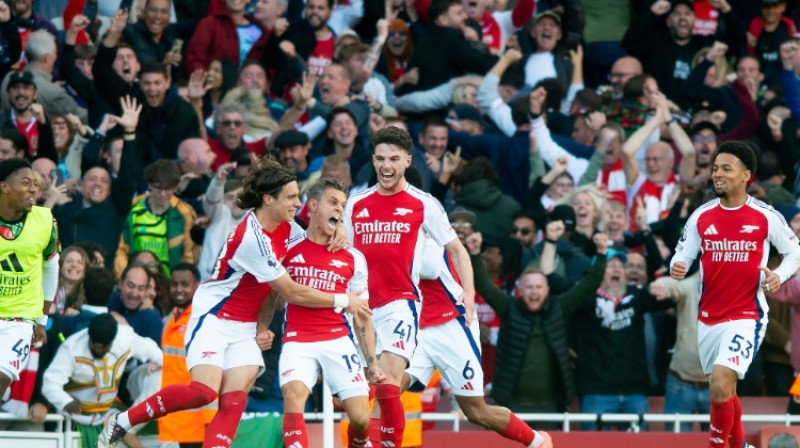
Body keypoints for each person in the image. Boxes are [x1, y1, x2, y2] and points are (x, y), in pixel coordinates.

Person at [98, 156, 370, 448]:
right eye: (290, 197)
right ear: (269, 199)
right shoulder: (252, 238)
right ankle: (123, 421)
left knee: (234, 400)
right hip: (215, 316)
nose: (297, 202)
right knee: (204, 391)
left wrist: (337, 229)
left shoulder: (288, 227)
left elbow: (311, 244)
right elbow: (291, 292)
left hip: (245, 325)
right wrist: (344, 299)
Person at [344, 126, 474, 448]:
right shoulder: (355, 203)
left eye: (394, 159)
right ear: (373, 161)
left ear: (407, 161)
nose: (386, 166)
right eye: (380, 159)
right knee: (361, 399)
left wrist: (468, 294)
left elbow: (457, 249)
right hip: (361, 306)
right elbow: (341, 248)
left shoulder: (423, 203)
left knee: (387, 384)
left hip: (400, 303)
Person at [671, 141, 800, 448]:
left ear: (746, 175)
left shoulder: (765, 215)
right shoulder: (701, 216)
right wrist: (678, 264)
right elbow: (683, 253)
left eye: (726, 169)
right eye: (715, 169)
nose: (718, 174)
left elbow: (795, 251)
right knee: (725, 389)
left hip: (747, 315)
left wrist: (778, 276)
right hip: (709, 318)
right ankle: (741, 445)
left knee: (719, 384)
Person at [403, 230, 553, 448]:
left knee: (476, 411)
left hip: (451, 325)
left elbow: (430, 267)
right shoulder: (369, 217)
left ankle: (537, 441)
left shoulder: (426, 216)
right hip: (419, 327)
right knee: (388, 389)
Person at [280, 177, 385, 448]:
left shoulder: (353, 257)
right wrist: (260, 328)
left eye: (343, 205)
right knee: (293, 397)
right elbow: (273, 295)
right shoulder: (288, 247)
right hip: (297, 339)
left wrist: (372, 363)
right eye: (332, 202)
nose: (339, 209)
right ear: (313, 205)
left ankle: (358, 443)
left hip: (338, 340)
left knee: (361, 418)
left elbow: (362, 314)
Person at [42, 313, 162, 448]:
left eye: (103, 346)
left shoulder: (125, 338)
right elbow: (49, 383)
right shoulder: (72, 347)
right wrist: (65, 402)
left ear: (113, 340)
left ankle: (129, 428)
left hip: (109, 414)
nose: (97, 348)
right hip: (75, 419)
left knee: (161, 374)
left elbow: (151, 348)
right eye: (94, 343)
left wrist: (159, 362)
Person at [0, 158, 59, 401]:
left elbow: (51, 268)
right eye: (25, 183)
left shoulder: (45, 221)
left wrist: (42, 321)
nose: (33, 189)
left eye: (35, 184)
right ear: (4, 187)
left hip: (19, 321)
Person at [158, 262, 216, 447]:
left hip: (197, 426)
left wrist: (210, 421)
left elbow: (210, 373)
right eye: (174, 284)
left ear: (197, 286)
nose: (178, 289)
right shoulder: (170, 319)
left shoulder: (201, 321)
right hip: (176, 421)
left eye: (185, 284)